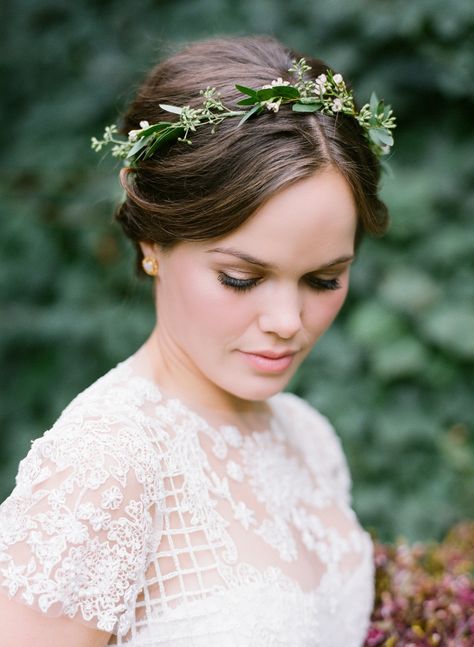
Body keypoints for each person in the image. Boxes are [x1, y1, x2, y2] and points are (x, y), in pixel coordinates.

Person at [0, 35, 395, 647]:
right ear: (153, 240)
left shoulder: (310, 440)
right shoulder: (104, 467)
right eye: (242, 278)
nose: (288, 320)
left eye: (324, 279)